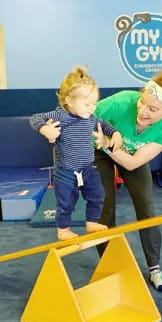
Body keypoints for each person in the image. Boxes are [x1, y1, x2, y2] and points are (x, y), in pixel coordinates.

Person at [94, 66, 162, 292]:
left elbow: (133, 163)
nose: (143, 111)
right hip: (97, 150)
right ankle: (110, 265)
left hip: (126, 156)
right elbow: (83, 118)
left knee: (146, 205)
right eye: (142, 102)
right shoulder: (120, 102)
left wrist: (111, 146)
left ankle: (155, 269)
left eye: (153, 109)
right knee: (104, 206)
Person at [30, 66, 123, 241]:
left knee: (98, 195)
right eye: (87, 104)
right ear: (70, 101)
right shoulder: (60, 116)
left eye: (94, 103)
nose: (92, 108)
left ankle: (92, 222)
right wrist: (45, 129)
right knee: (66, 202)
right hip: (65, 170)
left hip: (87, 168)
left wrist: (115, 134)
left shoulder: (91, 117)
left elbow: (105, 126)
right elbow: (35, 118)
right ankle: (63, 229)